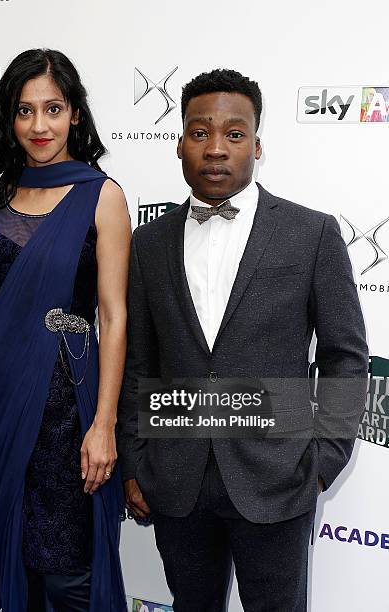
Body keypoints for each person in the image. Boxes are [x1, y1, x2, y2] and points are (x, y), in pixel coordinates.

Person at [118, 69, 368, 612]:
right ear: (180, 143)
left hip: (277, 476)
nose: (215, 148)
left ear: (257, 146)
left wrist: (323, 459)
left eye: (234, 134)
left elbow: (345, 357)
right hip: (177, 479)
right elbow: (138, 361)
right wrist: (135, 463)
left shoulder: (312, 233)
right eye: (200, 132)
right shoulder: (147, 243)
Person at [0, 49, 131, 612]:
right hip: (0, 407)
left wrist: (104, 423)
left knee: (69, 575)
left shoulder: (101, 197)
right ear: (9, 119)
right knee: (16, 567)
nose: (40, 126)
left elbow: (113, 316)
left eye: (53, 109)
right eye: (25, 110)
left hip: (68, 418)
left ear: (76, 115)